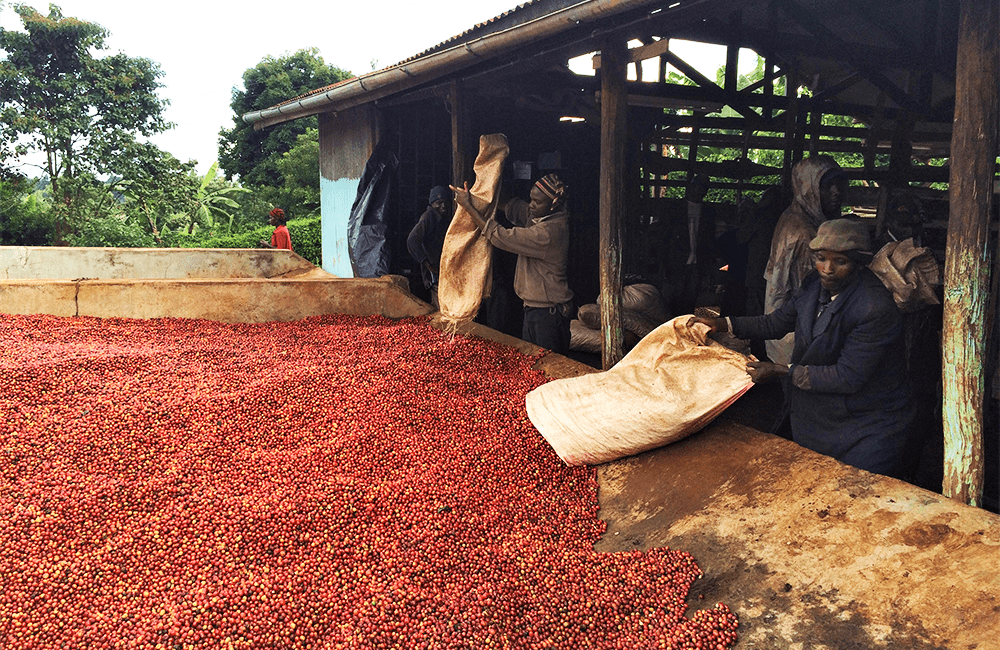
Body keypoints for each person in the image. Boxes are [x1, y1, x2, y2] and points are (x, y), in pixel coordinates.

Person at [690, 219, 914, 478]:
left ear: (858, 262)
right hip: (826, 416)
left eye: (840, 262)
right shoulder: (812, 286)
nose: (827, 269)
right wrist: (722, 323)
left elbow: (848, 377)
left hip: (868, 425)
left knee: (856, 493)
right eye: (821, 258)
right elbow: (776, 322)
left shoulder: (873, 307)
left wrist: (783, 371)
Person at [451, 173, 573, 354]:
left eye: (537, 202)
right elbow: (513, 207)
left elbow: (501, 236)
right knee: (533, 366)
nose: (531, 205)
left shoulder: (549, 232)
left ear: (552, 205)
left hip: (548, 316)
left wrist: (468, 206)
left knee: (550, 369)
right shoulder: (540, 216)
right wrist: (482, 191)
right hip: (534, 310)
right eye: (531, 199)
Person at [763, 156, 846, 365]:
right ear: (808, 188)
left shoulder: (793, 216)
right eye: (827, 186)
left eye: (838, 184)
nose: (836, 191)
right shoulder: (805, 233)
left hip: (783, 327)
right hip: (796, 334)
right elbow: (813, 292)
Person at [407, 185, 452, 306]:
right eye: (439, 202)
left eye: (446, 202)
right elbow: (412, 241)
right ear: (432, 204)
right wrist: (427, 263)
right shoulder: (428, 217)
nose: (443, 206)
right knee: (441, 306)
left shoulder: (444, 219)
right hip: (434, 271)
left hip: (443, 269)